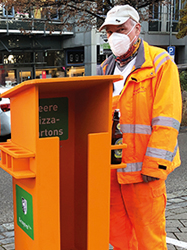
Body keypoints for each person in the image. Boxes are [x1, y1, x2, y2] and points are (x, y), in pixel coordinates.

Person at [97, 5, 182, 249]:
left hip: (144, 174)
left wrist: (155, 167)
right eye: (110, 32)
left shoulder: (160, 64)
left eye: (121, 29)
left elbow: (167, 119)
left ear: (137, 28)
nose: (115, 37)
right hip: (112, 173)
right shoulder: (105, 70)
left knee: (150, 240)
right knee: (120, 238)